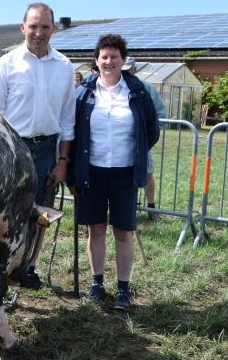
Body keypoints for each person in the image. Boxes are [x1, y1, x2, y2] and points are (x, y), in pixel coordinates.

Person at [67, 34, 159, 310]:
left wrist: (135, 154)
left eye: (114, 56)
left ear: (123, 60)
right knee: (95, 228)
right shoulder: (82, 93)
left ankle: (123, 288)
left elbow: (151, 131)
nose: (108, 61)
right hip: (91, 171)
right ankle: (96, 283)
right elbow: (72, 132)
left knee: (123, 232)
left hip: (124, 173)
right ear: (96, 61)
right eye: (104, 56)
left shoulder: (137, 91)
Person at [0, 2, 75, 288]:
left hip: (47, 151)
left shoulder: (63, 66)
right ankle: (3, 268)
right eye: (33, 26)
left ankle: (29, 267)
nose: (39, 32)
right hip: (11, 149)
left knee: (42, 215)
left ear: (54, 29)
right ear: (23, 27)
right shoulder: (7, 63)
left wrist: (62, 161)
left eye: (45, 27)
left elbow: (67, 119)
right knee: (9, 215)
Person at [122, 57, 166, 217]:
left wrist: (146, 139)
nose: (125, 72)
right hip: (117, 144)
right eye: (123, 69)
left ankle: (151, 207)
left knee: (147, 172)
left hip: (141, 143)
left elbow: (160, 115)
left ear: (135, 69)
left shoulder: (145, 88)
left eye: (128, 69)